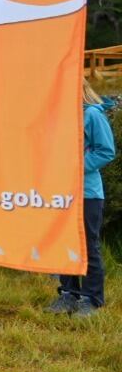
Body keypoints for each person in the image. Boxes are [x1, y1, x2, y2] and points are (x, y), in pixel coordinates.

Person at [48, 80, 115, 317]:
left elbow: (106, 151)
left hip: (87, 193)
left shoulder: (93, 115)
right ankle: (68, 293)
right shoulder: (58, 116)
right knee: (63, 243)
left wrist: (75, 168)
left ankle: (92, 299)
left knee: (87, 245)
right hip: (61, 193)